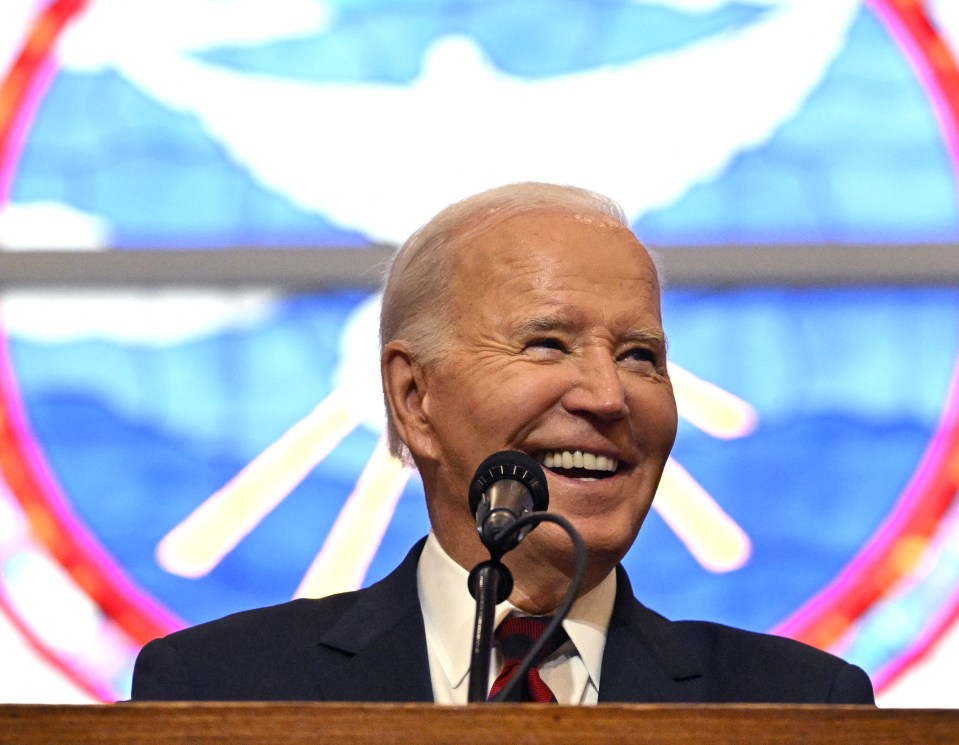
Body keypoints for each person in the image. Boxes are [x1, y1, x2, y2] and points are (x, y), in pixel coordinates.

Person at [131, 183, 874, 704]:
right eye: (546, 344)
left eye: (639, 354)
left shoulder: (798, 705)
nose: (607, 396)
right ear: (413, 398)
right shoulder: (220, 688)